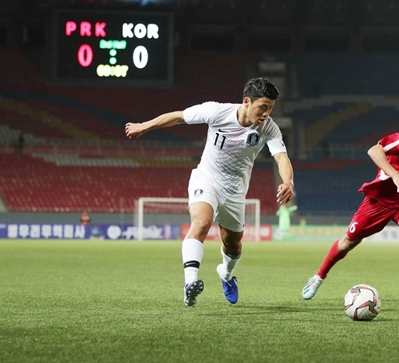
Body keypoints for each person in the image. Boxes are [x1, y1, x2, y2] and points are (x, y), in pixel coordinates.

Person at [125, 77, 294, 307]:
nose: (266, 113)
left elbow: (281, 157)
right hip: (207, 178)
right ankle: (190, 283)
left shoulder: (268, 128)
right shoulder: (216, 112)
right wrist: (143, 126)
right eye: (262, 107)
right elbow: (179, 116)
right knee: (201, 222)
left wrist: (288, 182)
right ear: (246, 101)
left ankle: (225, 274)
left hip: (235, 191)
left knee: (233, 245)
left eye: (270, 108)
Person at [302, 110, 399, 301]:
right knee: (348, 242)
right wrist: (395, 175)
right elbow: (374, 150)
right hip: (380, 199)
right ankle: (318, 277)